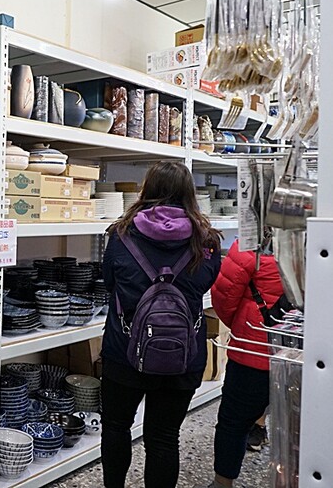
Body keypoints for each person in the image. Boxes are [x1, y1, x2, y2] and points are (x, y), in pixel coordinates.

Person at [101, 161, 222, 488]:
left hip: (124, 349)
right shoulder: (207, 242)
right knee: (164, 437)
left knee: (116, 427)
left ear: (147, 189)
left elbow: (110, 283)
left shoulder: (121, 235)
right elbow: (205, 284)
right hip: (184, 355)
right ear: (190, 194)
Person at [208, 238, 286, 487]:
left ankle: (223, 482)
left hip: (253, 349)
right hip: (306, 353)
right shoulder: (319, 248)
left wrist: (243, 325)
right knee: (301, 423)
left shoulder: (250, 246)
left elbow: (223, 296)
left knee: (233, 421)